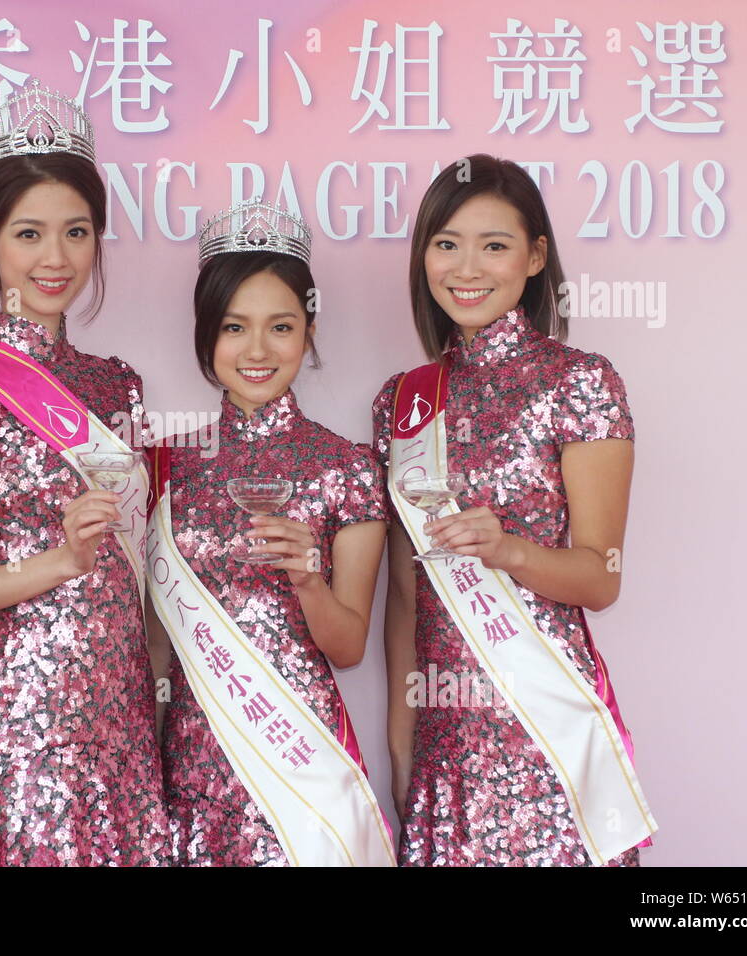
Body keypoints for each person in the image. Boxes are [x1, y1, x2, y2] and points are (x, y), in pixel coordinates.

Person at [0, 80, 169, 866]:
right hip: (30, 722)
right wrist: (59, 562)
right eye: (28, 234)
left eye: (76, 232)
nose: (55, 259)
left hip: (126, 716)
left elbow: (141, 576)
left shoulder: (120, 386)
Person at [374, 153, 656, 866]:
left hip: (548, 725)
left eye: (493, 246)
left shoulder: (580, 383)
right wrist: (404, 740)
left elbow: (601, 577)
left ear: (534, 257)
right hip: (446, 742)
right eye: (446, 245)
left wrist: (509, 551)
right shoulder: (403, 402)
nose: (466, 268)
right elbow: (408, 593)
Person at [149, 198, 394, 866]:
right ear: (207, 336)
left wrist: (309, 581)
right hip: (195, 767)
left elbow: (347, 646)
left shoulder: (346, 467)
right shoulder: (165, 465)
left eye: (280, 327)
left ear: (308, 331)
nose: (257, 350)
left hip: (302, 762)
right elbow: (151, 649)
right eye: (234, 328)